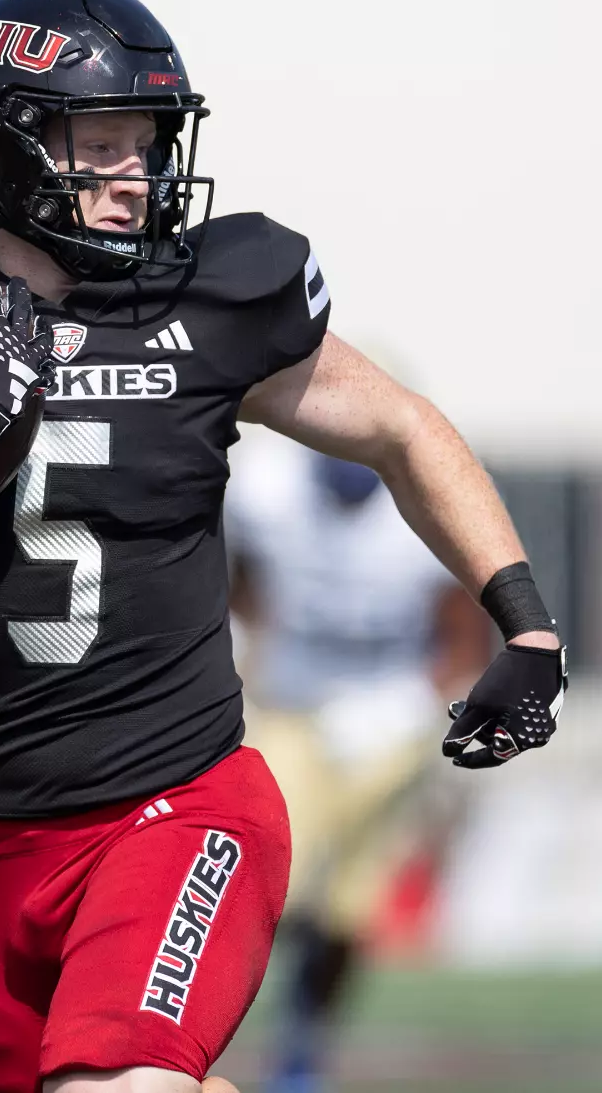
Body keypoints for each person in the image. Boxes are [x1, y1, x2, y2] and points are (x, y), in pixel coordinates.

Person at [0, 0, 568, 1093]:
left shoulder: (212, 292)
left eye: (144, 142)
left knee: (113, 1087)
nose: (135, 174)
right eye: (98, 144)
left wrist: (522, 622)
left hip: (181, 802)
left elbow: (398, 425)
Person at [226, 436, 490, 1093]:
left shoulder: (425, 511)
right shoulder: (267, 490)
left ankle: (303, 1033)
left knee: (349, 908)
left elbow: (462, 633)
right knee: (269, 872)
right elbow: (241, 585)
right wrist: (245, 653)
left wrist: (422, 706)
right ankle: (217, 1019)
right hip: (293, 702)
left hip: (387, 714)